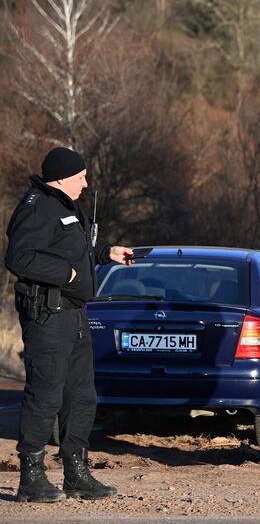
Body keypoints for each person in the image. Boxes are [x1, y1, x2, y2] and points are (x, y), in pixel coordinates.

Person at [5, 147, 135, 503]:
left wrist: (105, 252)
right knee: (46, 395)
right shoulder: (38, 206)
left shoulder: (65, 205)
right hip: (48, 316)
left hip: (75, 315)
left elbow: (70, 248)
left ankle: (77, 474)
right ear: (62, 177)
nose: (86, 182)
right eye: (81, 176)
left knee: (80, 397)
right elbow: (18, 257)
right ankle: (31, 479)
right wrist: (68, 274)